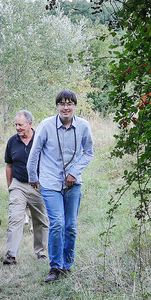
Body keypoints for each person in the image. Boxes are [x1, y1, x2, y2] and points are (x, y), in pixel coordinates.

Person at [27, 90, 94, 283]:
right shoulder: (46, 125)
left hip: (73, 183)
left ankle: (67, 265)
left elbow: (89, 152)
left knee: (70, 226)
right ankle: (55, 266)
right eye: (62, 103)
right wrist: (33, 176)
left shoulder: (83, 126)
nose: (66, 107)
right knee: (57, 223)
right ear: (57, 106)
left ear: (75, 106)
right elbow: (35, 152)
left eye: (70, 103)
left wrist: (74, 172)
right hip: (50, 182)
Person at [2, 109, 48, 264]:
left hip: (38, 185)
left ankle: (41, 252)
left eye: (20, 125)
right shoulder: (12, 142)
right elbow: (9, 165)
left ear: (30, 124)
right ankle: (11, 255)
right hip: (18, 184)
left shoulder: (40, 139)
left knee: (40, 220)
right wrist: (10, 186)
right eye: (15, 125)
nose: (17, 128)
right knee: (15, 218)